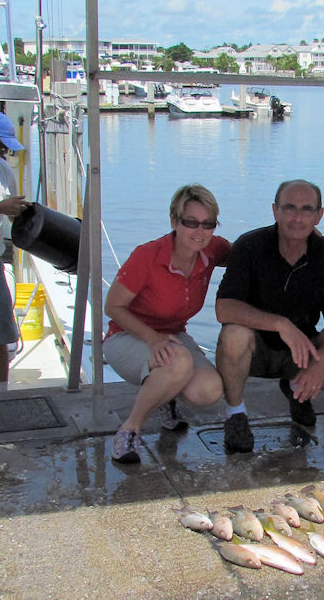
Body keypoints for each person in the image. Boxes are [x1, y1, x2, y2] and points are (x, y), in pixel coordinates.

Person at [215, 179, 324, 453]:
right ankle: (235, 415)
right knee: (233, 334)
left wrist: (321, 362)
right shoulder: (249, 246)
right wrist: (280, 324)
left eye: (307, 209)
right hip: (255, 349)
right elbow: (224, 307)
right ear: (275, 210)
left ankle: (297, 388)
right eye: (289, 207)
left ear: (319, 215)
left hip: (301, 351)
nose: (297, 217)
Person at [103, 184, 230, 463]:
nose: (200, 232)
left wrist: (299, 235)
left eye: (208, 224)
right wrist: (152, 338)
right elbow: (112, 306)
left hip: (172, 336)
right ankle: (130, 430)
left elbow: (252, 253)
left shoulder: (212, 250)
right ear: (174, 221)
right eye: (191, 223)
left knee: (208, 390)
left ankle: (166, 396)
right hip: (126, 336)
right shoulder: (148, 256)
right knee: (178, 362)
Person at [0, 113, 28, 393]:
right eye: (1, 145)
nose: (4, 151)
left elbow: (12, 213)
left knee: (2, 331)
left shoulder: (5, 171)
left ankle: (2, 395)